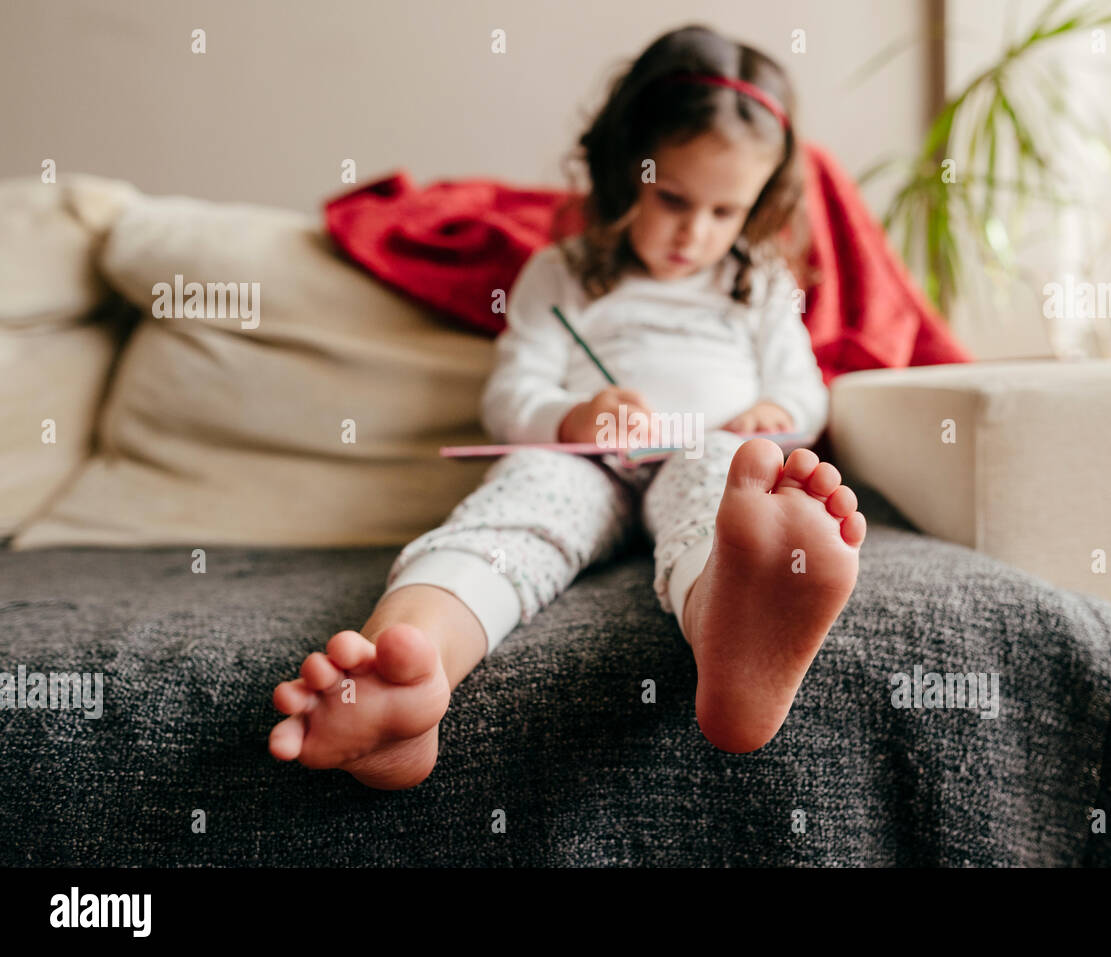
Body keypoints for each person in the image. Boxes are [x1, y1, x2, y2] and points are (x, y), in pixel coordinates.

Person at [269, 24, 867, 789]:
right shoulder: (563, 273)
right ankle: (407, 668)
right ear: (624, 173)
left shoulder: (758, 283)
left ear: (757, 206)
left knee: (725, 483)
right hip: (588, 462)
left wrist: (772, 416)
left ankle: (732, 625)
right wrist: (572, 417)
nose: (695, 231)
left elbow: (804, 393)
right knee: (519, 507)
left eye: (725, 212)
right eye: (672, 198)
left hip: (711, 451)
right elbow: (509, 394)